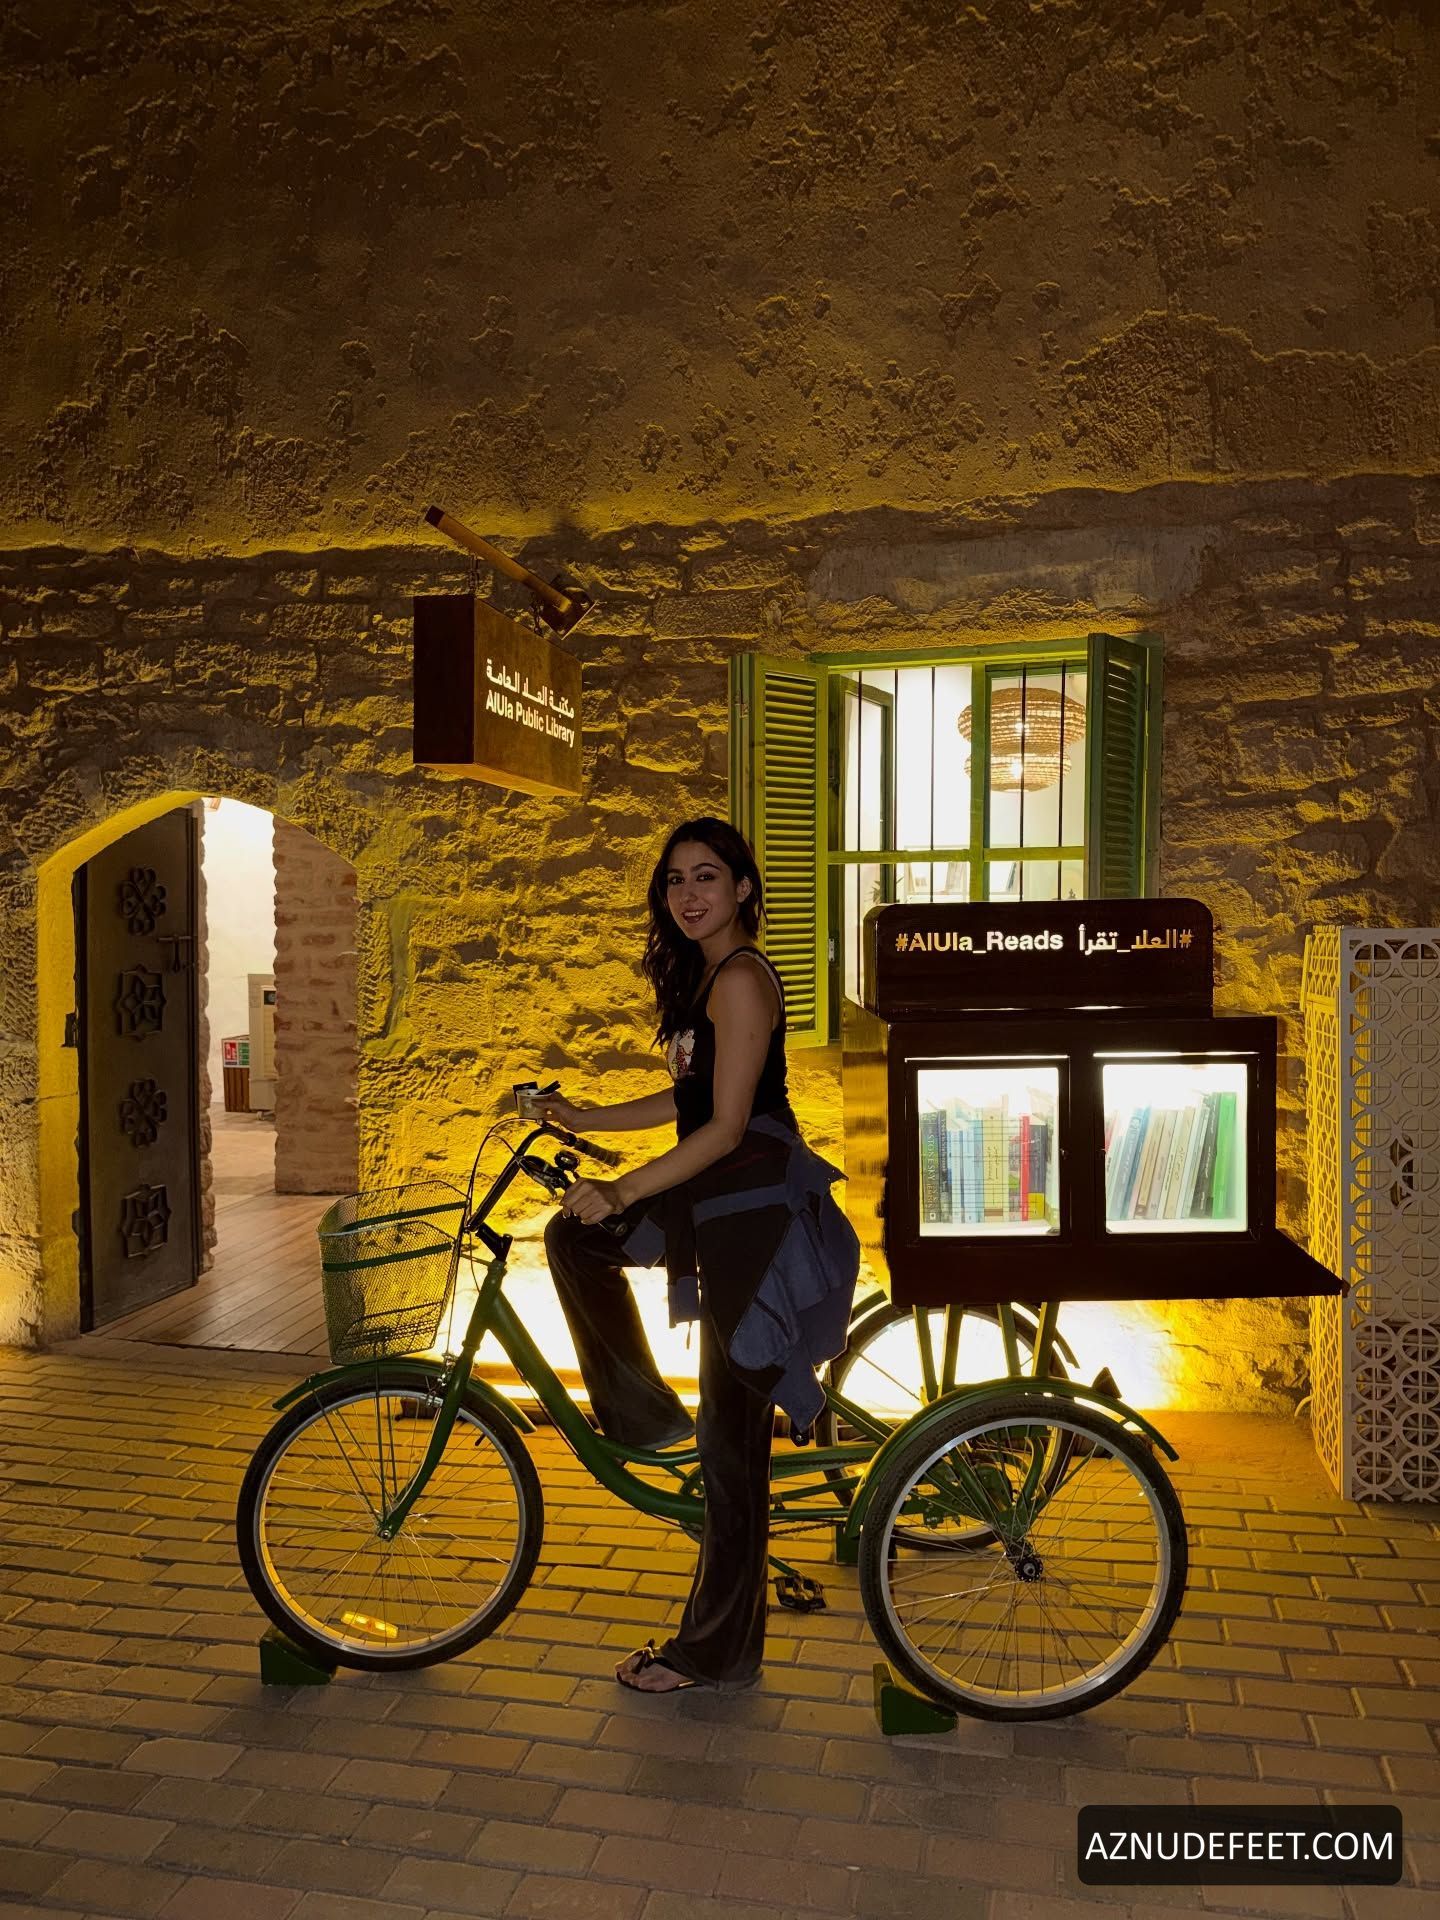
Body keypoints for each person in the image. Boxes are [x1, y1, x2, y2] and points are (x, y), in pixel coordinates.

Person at [540, 817, 858, 1694]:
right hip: (715, 1197)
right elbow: (687, 1097)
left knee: (731, 1451)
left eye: (707, 876)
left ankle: (716, 1653)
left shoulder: (743, 981)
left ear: (743, 889)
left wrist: (623, 1189)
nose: (688, 894)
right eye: (675, 880)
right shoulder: (708, 975)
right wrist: (584, 1119)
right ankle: (644, 1417)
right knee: (574, 1238)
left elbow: (722, 1128)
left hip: (754, 1217)